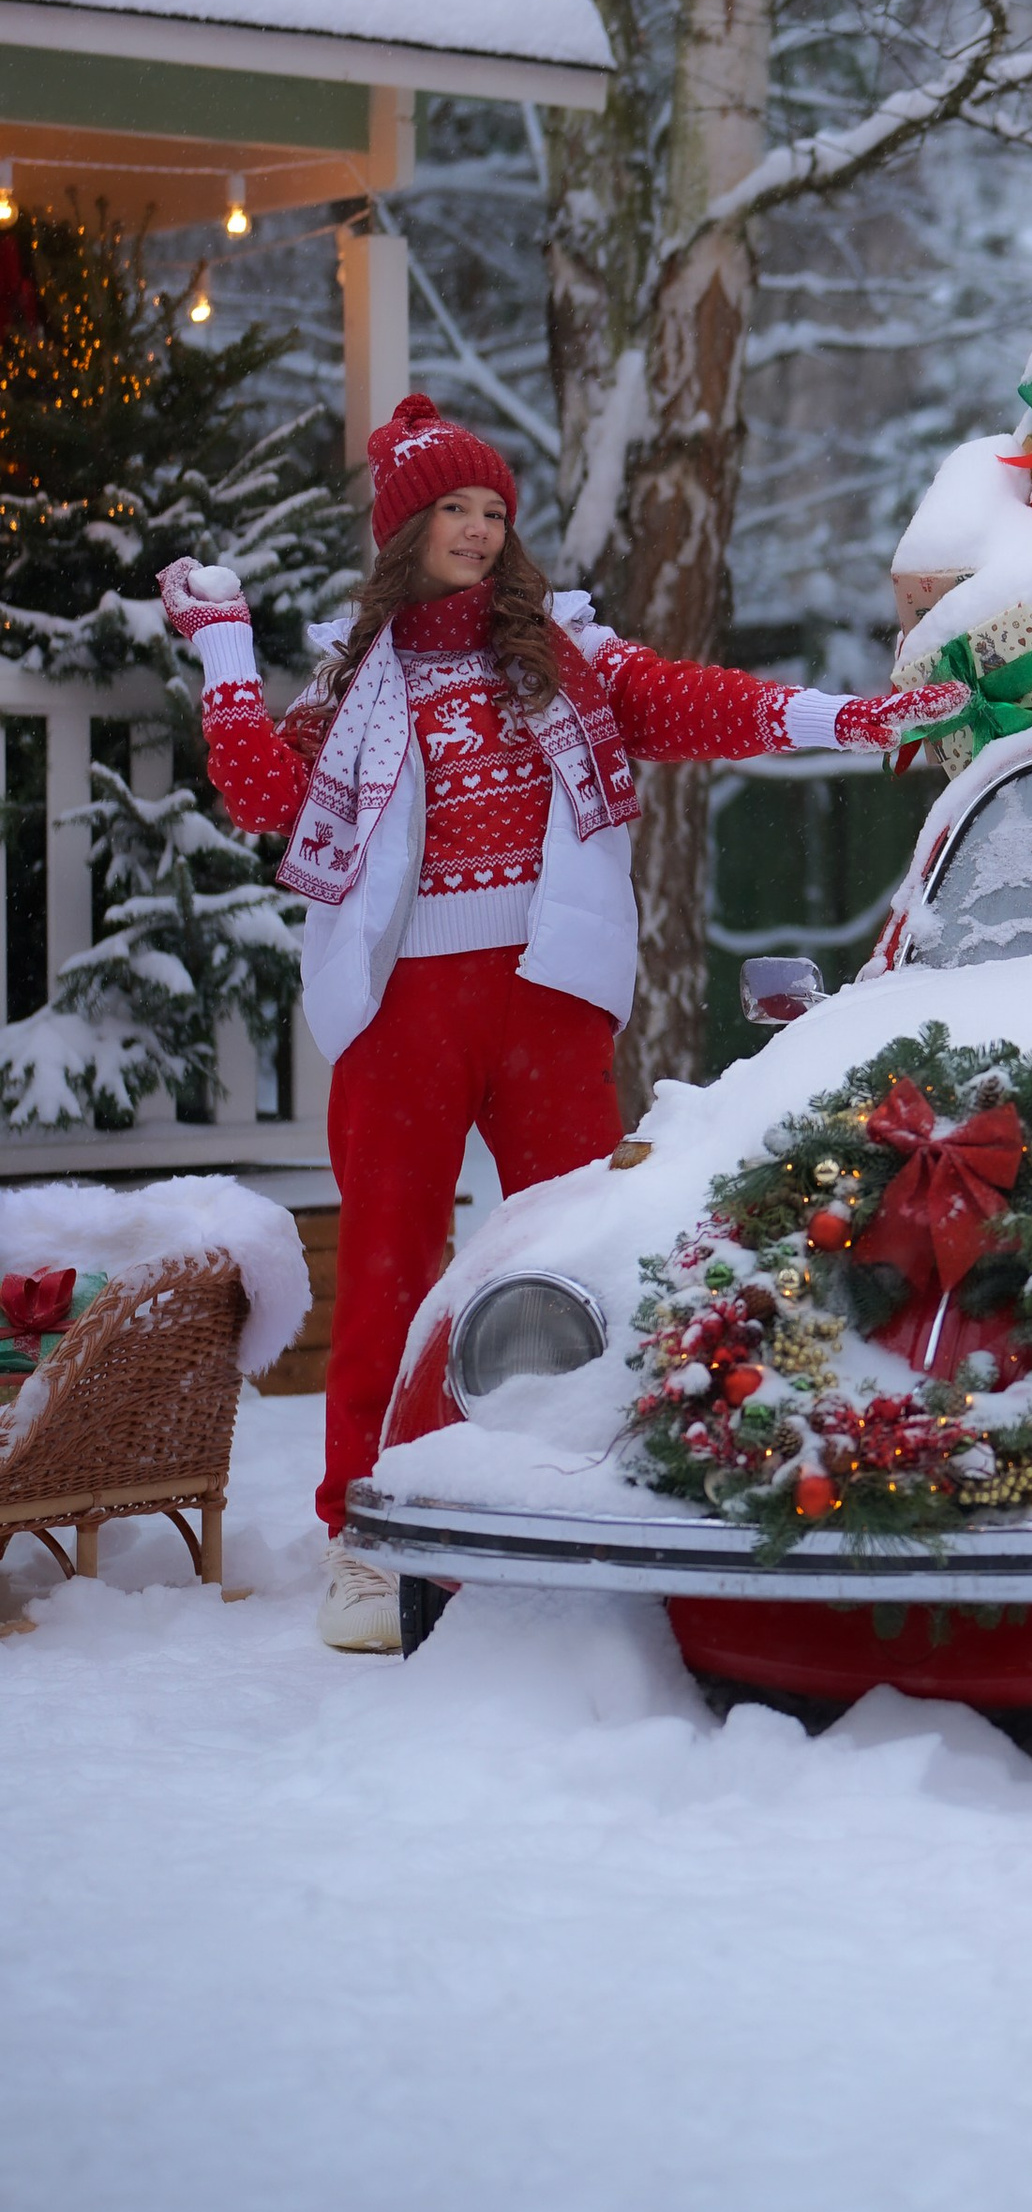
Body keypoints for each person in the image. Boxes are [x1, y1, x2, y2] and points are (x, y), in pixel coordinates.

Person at [161, 393, 964, 1654]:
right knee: (385, 1272)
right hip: (402, 1012)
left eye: (494, 511)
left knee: (590, 1254)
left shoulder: (564, 658)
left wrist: (851, 719)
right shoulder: (352, 688)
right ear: (404, 528)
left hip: (546, 1002)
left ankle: (598, 1492)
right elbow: (263, 792)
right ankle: (365, 1541)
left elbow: (700, 703)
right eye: (455, 511)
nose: (479, 531)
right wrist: (217, 646)